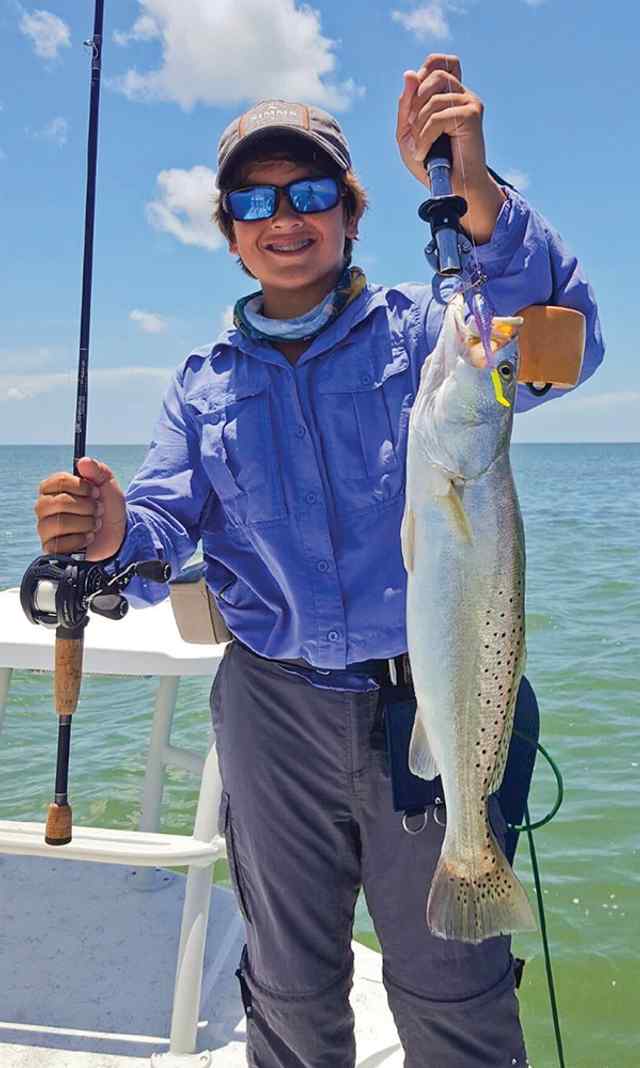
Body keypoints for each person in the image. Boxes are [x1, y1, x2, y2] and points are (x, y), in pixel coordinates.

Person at [35, 54, 603, 1067]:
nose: (281, 216)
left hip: (422, 698)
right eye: (253, 199)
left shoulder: (435, 333)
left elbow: (562, 341)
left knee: (451, 988)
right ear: (229, 230)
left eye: (307, 193)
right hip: (273, 712)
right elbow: (162, 534)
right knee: (289, 985)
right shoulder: (200, 387)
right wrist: (116, 530)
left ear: (348, 210)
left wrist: (480, 199)